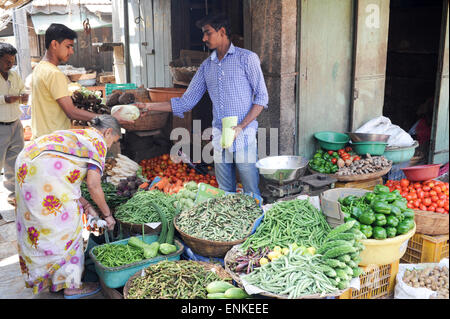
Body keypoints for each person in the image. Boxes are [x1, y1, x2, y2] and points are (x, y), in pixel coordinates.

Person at [138, 13, 269, 196]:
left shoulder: (247, 59)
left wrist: (240, 126)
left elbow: (262, 98)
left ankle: (254, 222)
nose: (204, 38)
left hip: (244, 136)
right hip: (219, 137)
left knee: (251, 192)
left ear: (222, 31)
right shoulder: (207, 67)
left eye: (207, 33)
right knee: (225, 193)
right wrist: (148, 107)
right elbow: (185, 102)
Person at [15, 115, 119, 298]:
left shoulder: (82, 135)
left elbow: (64, 175)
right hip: (42, 171)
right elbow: (93, 185)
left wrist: (85, 205)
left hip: (27, 163)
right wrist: (107, 215)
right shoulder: (98, 143)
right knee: (67, 227)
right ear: (108, 132)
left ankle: (54, 279)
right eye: (113, 141)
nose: (110, 146)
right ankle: (72, 286)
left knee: (44, 226)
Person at [31, 23, 131, 139]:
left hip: (41, 137)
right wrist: (106, 119)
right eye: (68, 46)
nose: (71, 51)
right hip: (53, 141)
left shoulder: (40, 68)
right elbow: (71, 112)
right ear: (54, 44)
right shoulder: (54, 74)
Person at [0, 43, 28, 206]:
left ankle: (13, 194)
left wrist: (23, 96)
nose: (10, 64)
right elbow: (6, 98)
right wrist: (4, 99)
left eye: (12, 60)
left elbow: (21, 90)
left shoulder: (14, 75)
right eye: (6, 61)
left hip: (15, 124)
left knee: (14, 161)